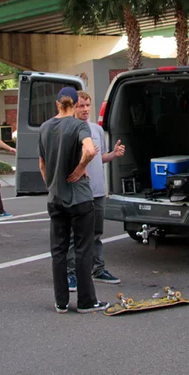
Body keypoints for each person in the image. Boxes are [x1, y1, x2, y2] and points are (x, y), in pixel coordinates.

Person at [39, 86, 107, 314]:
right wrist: (80, 169)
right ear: (76, 104)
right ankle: (87, 301)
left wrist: (51, 185)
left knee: (58, 251)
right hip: (79, 198)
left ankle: (61, 302)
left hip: (56, 198)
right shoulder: (78, 125)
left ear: (57, 104)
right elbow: (89, 150)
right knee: (83, 249)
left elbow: (42, 164)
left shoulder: (45, 128)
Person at [66, 91, 125, 291]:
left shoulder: (96, 130)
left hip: (98, 190)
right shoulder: (69, 130)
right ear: (73, 107)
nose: (85, 109)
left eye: (87, 105)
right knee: (76, 235)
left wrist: (113, 155)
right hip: (78, 191)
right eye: (81, 105)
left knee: (96, 233)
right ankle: (71, 273)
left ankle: (98, 269)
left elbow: (100, 158)